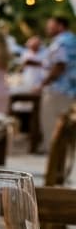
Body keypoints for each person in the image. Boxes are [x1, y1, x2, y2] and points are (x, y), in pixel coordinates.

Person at [40, 16, 76, 150]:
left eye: (51, 25)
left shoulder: (62, 42)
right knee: (65, 126)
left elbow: (60, 65)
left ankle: (55, 161)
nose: (47, 28)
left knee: (54, 127)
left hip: (59, 89)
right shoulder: (71, 39)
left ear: (60, 26)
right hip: (69, 89)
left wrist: (43, 84)